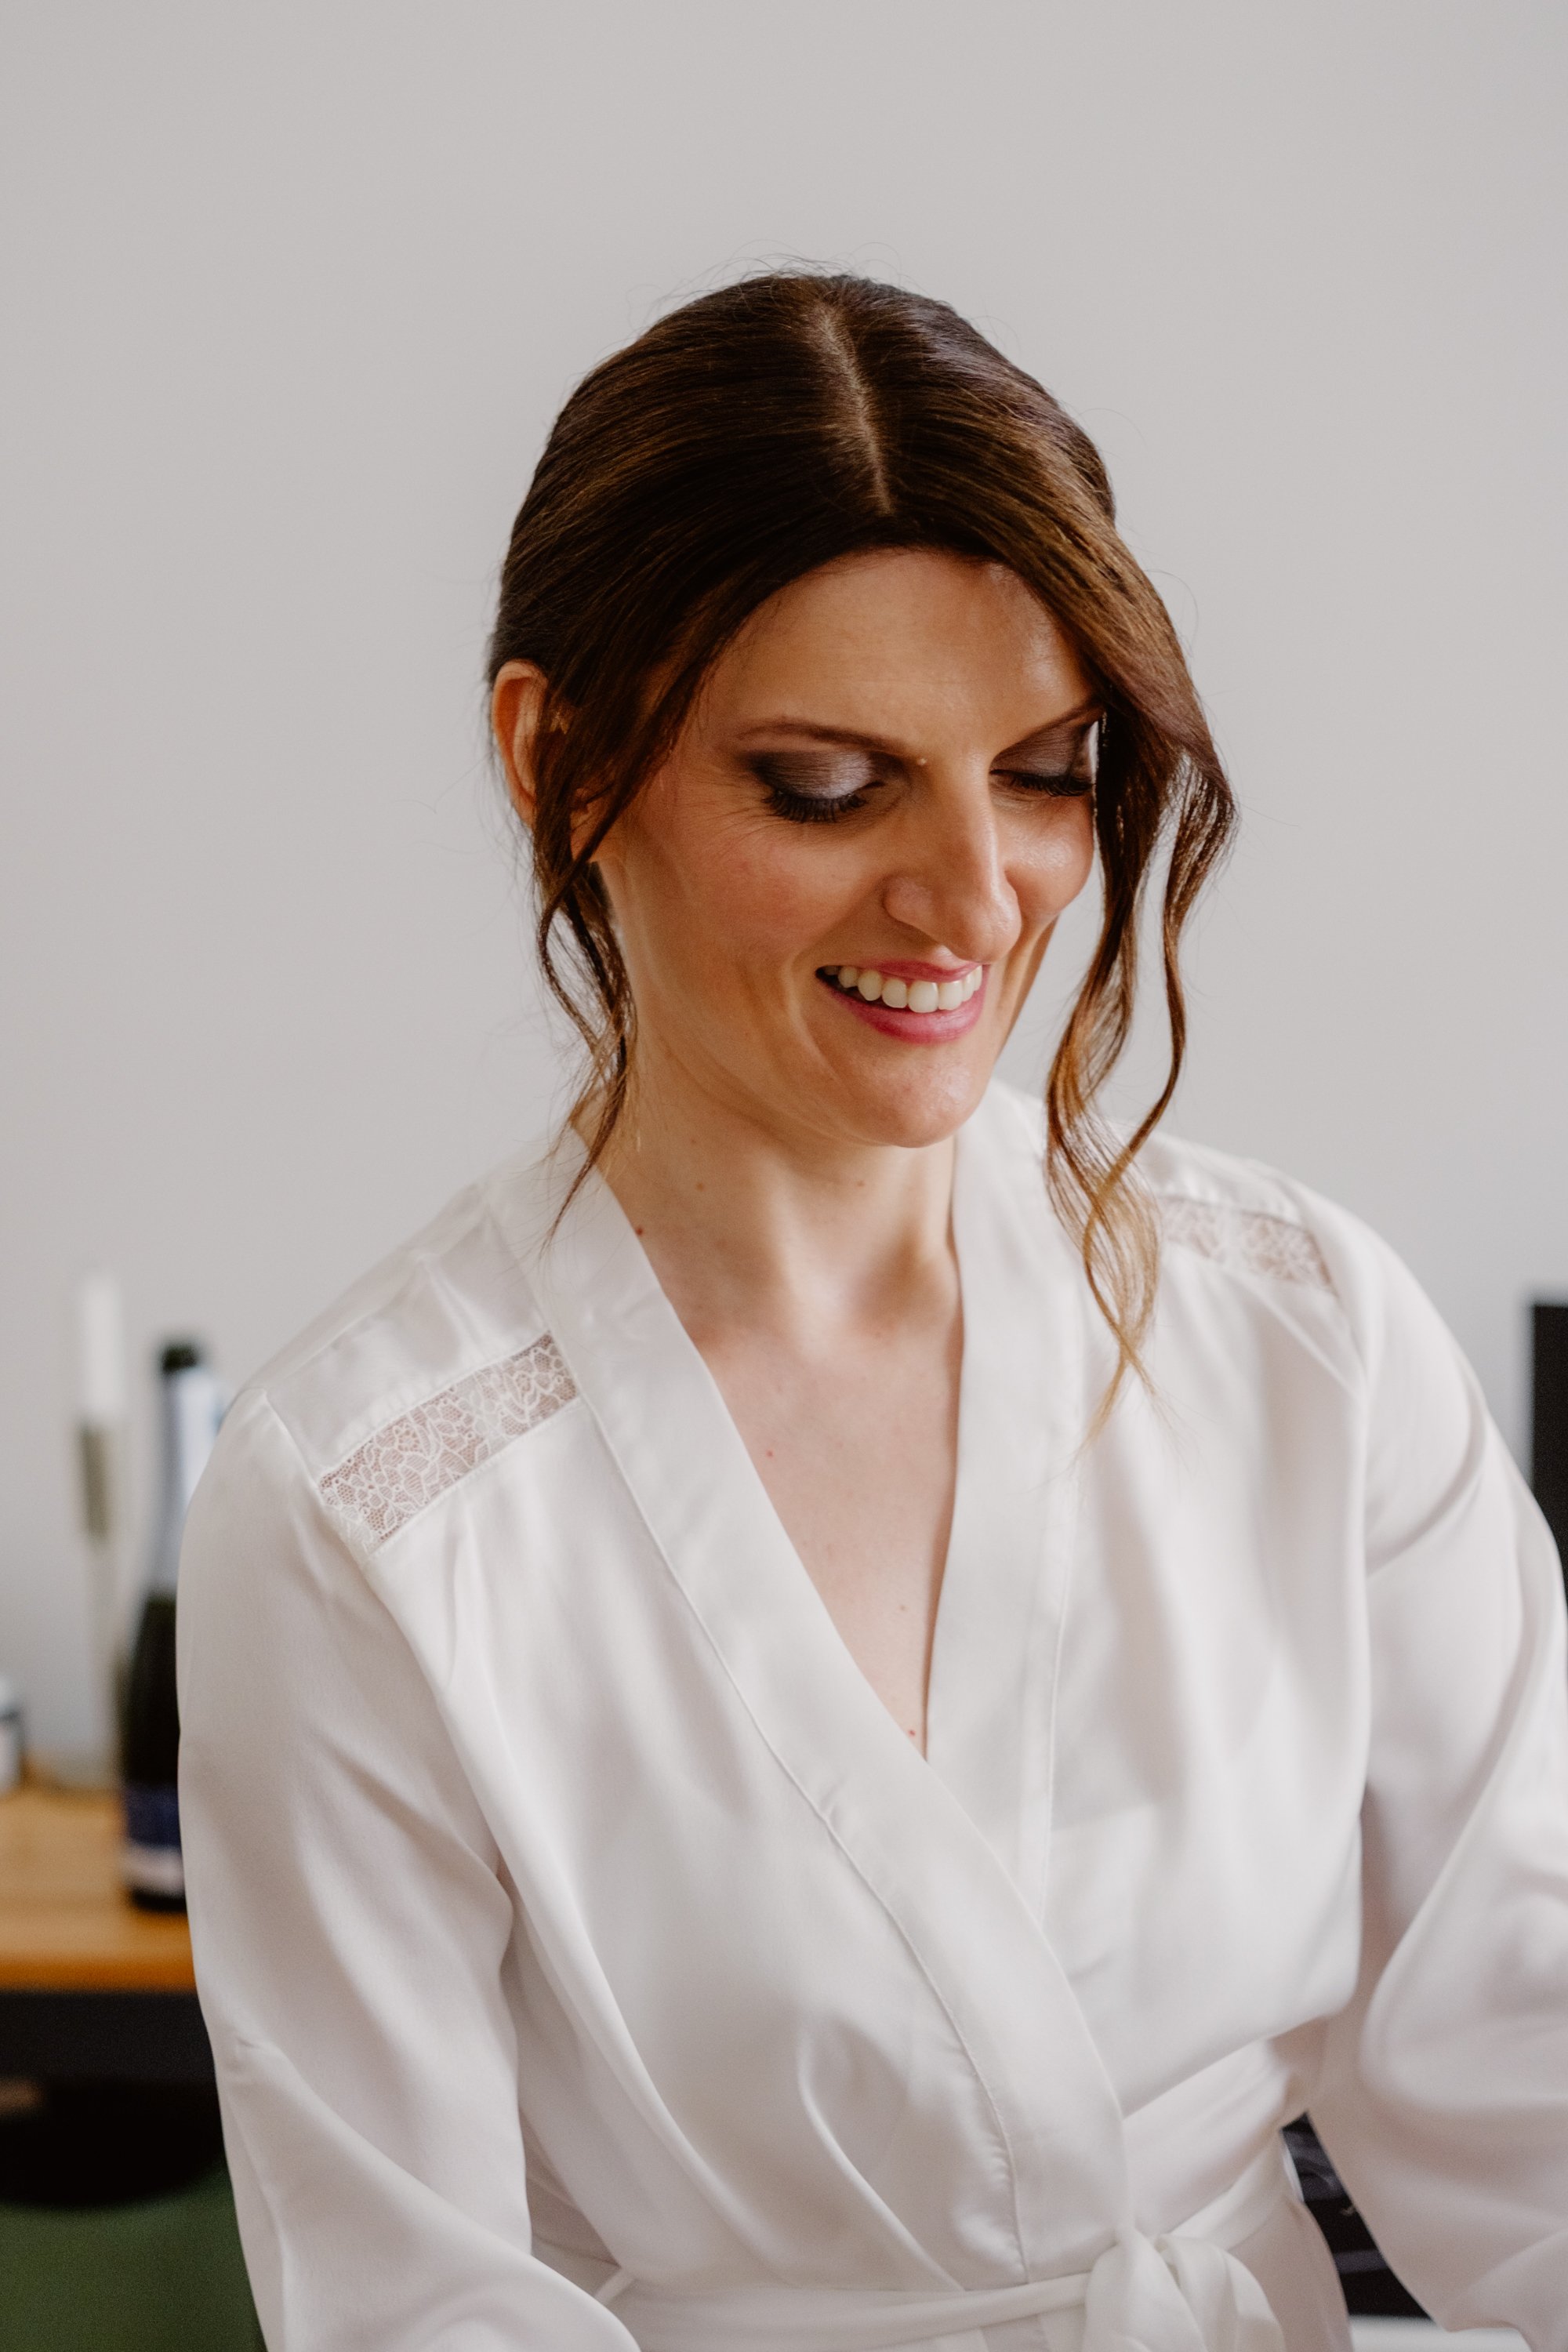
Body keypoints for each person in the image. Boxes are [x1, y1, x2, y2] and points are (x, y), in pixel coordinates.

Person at [177, 274, 1568, 2352]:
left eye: (1041, 772)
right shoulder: (371, 1511)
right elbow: (416, 2311)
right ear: (561, 764)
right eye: (827, 786)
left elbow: (1530, 2098)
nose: (975, 895)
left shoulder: (1308, 1343)